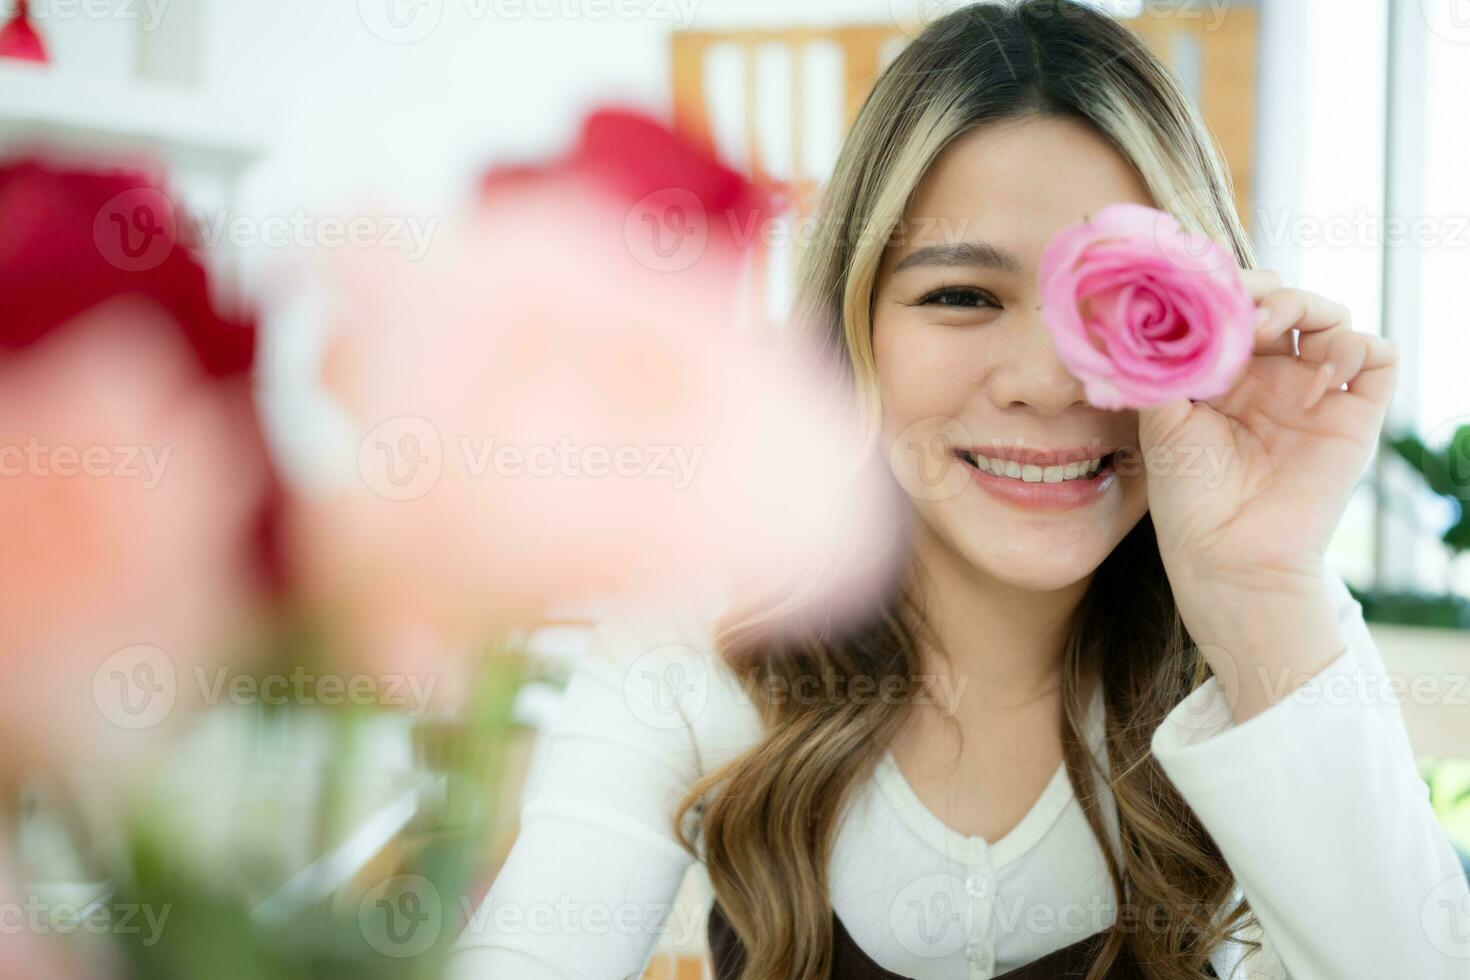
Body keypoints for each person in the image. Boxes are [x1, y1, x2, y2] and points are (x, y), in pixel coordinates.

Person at [450, 2, 1470, 977]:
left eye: (1112, 304)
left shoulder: (1274, 646)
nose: (1045, 380)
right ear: (856, 332)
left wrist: (1260, 595)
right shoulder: (690, 638)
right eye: (961, 296)